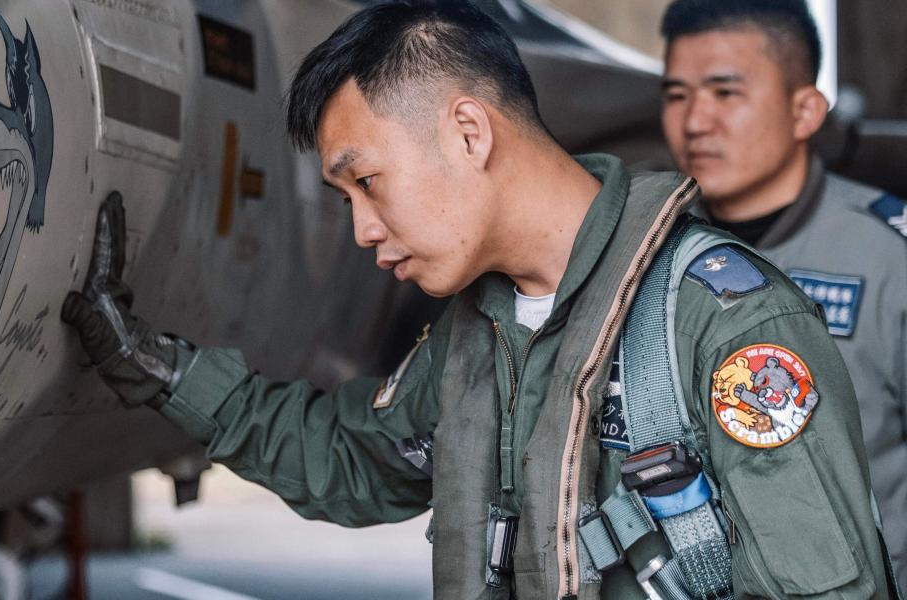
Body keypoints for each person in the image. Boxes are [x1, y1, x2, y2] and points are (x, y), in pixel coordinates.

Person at [62, 1, 894, 598]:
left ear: (469, 131)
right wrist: (159, 370)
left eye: (368, 182)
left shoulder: (725, 323)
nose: (361, 229)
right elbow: (358, 460)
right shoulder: (476, 332)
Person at [660, 0, 907, 591]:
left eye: (725, 93)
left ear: (804, 111)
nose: (695, 121)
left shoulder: (888, 256)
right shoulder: (645, 251)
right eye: (676, 95)